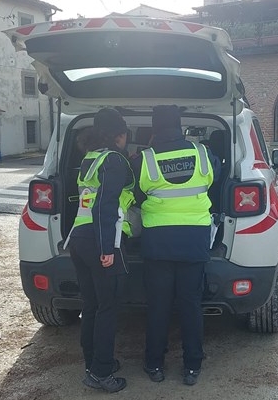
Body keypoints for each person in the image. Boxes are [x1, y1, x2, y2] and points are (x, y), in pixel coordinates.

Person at [132, 105, 219, 386]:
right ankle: (192, 366)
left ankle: (154, 364)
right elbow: (214, 181)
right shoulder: (202, 154)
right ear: (180, 126)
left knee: (158, 305)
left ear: (155, 129)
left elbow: (135, 194)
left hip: (158, 242)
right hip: (194, 240)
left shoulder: (144, 159)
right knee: (190, 305)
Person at [67, 108, 135, 393]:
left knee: (92, 306)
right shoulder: (114, 160)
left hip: (79, 238)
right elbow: (106, 205)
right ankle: (102, 374)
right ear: (120, 135)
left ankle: (93, 363)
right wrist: (107, 248)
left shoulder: (91, 158)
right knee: (107, 308)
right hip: (101, 240)